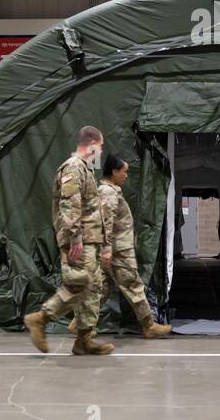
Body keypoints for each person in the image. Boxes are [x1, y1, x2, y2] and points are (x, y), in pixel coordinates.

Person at [23, 126, 113, 356]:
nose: (101, 152)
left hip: (89, 241)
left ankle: (85, 340)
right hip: (79, 241)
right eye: (100, 147)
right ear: (92, 144)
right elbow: (69, 205)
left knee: (91, 289)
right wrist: (75, 239)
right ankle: (40, 319)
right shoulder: (73, 167)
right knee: (79, 284)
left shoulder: (85, 169)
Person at [66, 154, 173, 339]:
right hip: (118, 251)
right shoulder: (108, 193)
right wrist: (107, 250)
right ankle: (149, 325)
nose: (126, 176)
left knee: (102, 289)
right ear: (114, 171)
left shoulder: (111, 191)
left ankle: (80, 324)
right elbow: (105, 222)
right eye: (124, 172)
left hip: (114, 250)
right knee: (133, 284)